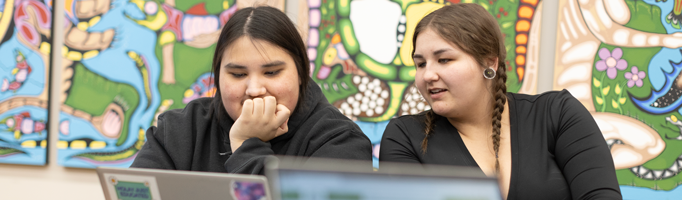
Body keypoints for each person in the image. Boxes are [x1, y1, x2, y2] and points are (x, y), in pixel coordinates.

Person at [379, 4, 622, 200]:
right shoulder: (404, 137)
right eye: (420, 64)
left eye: (444, 60)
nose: (427, 75)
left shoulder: (557, 114)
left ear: (489, 63)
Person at [131, 6, 372, 174]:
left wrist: (247, 143)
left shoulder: (341, 141)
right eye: (238, 74)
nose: (255, 89)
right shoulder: (178, 130)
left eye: (272, 72)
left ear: (300, 73)